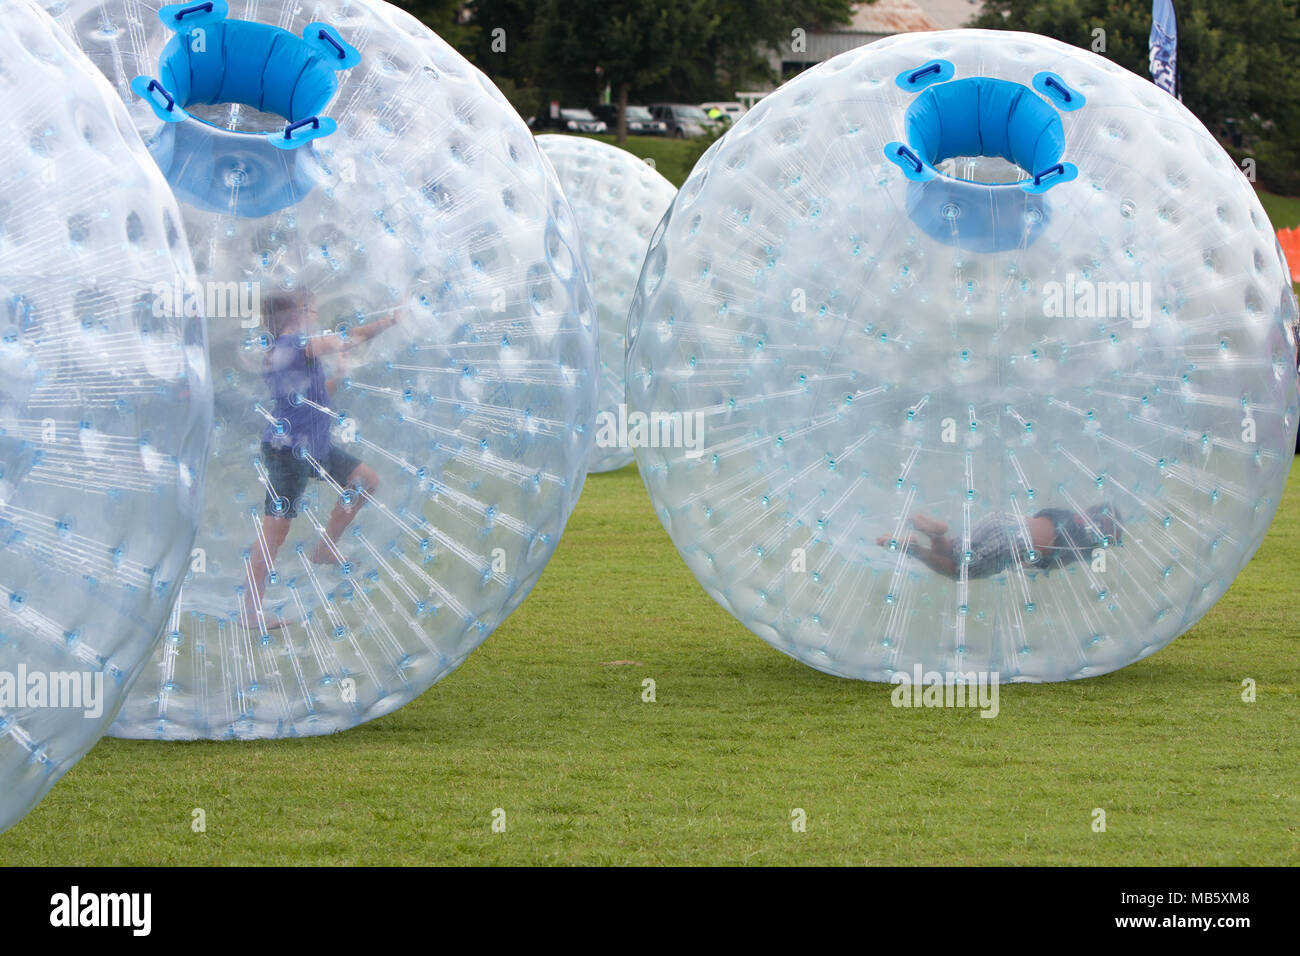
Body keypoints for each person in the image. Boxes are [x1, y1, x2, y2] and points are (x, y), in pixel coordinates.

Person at [243, 290, 399, 624]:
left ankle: (326, 547)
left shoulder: (287, 352)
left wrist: (339, 375)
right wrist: (389, 321)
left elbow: (317, 396)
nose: (315, 315)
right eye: (311, 309)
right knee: (275, 531)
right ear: (296, 314)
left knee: (365, 480)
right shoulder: (296, 345)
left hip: (314, 449)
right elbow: (350, 338)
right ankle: (249, 612)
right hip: (287, 453)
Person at [877, 504, 1122, 580]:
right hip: (1012, 544)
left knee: (956, 550)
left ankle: (936, 533)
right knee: (958, 572)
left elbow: (1038, 518)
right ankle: (913, 548)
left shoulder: (1066, 515)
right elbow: (1049, 561)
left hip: (1004, 520)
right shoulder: (1078, 546)